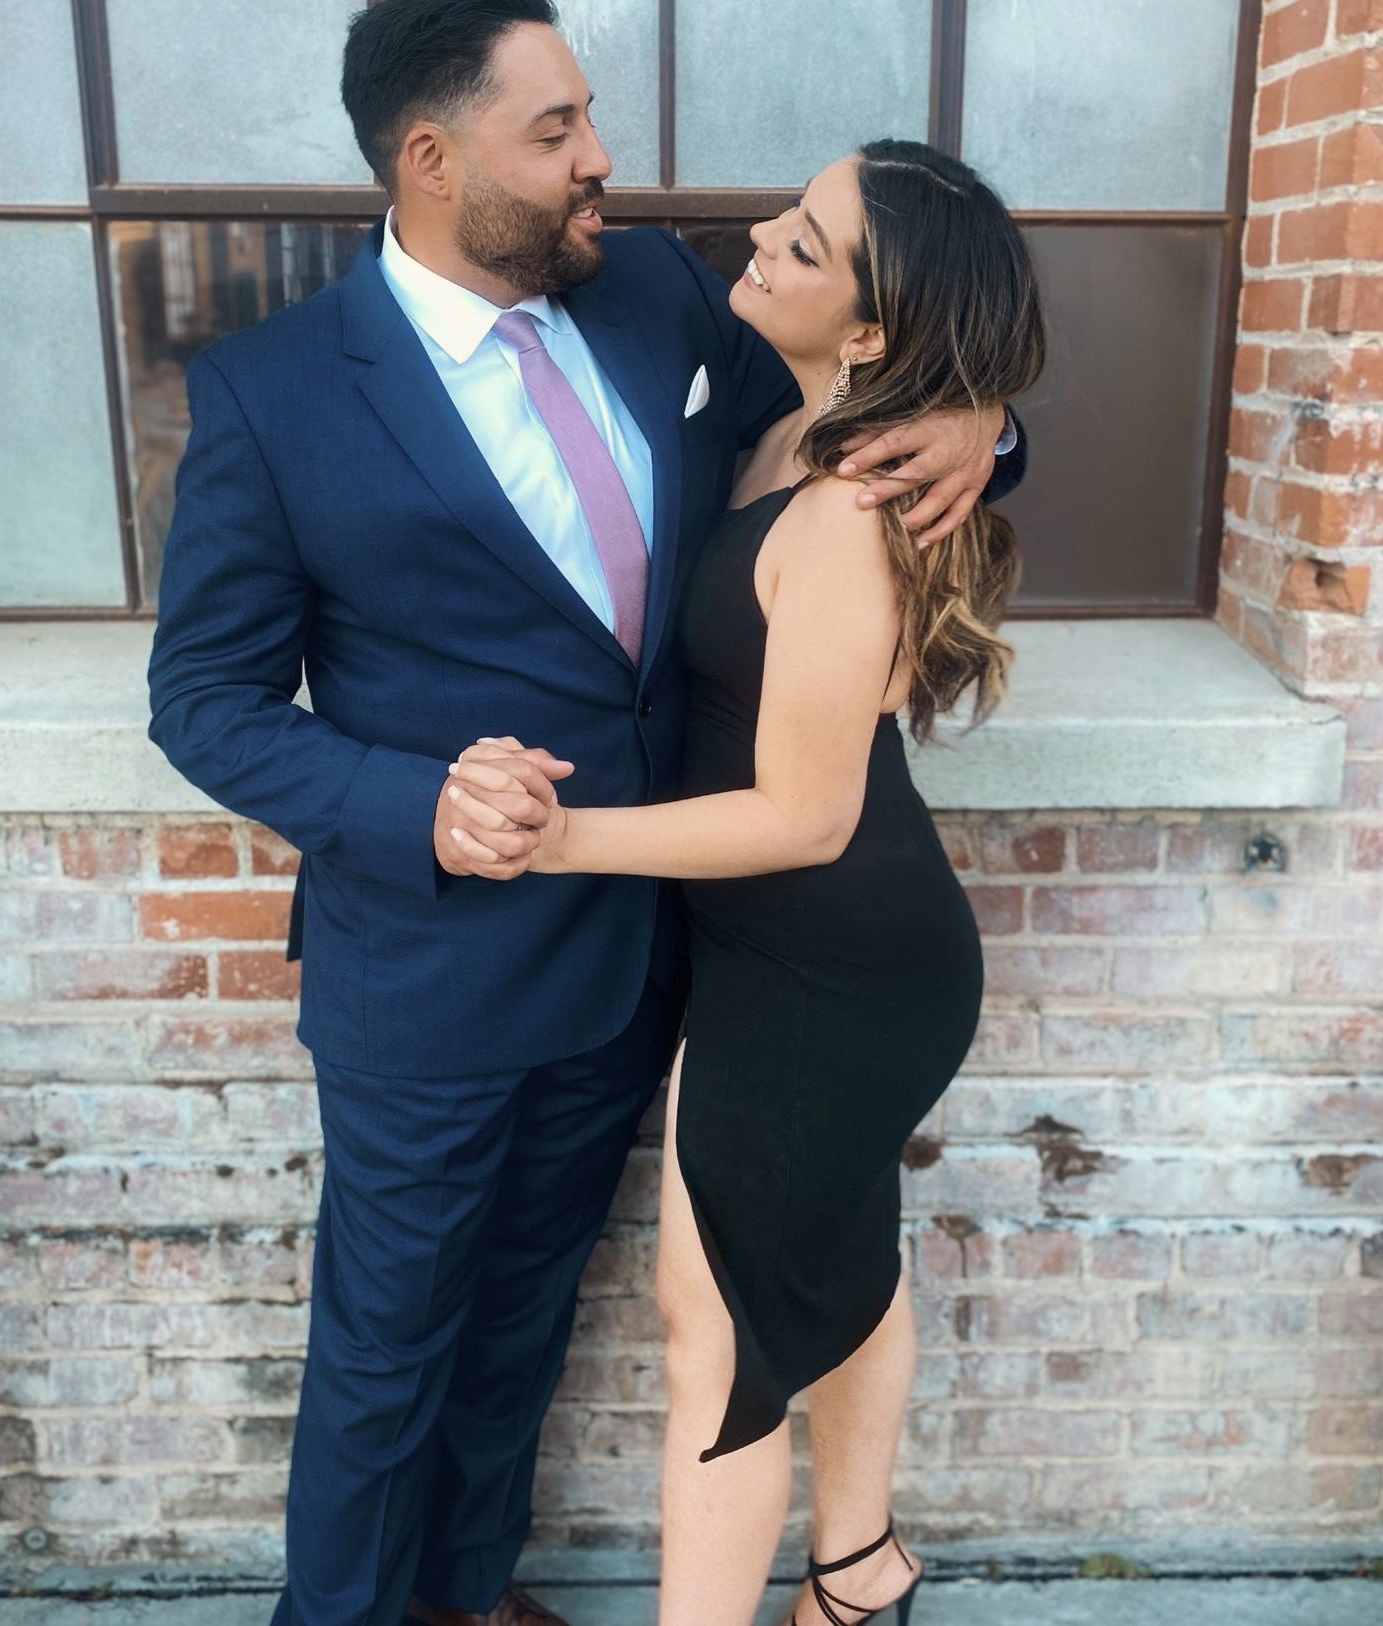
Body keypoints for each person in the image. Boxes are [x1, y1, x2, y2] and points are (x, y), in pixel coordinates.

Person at [144, 2, 1029, 1622]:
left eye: (588, 116)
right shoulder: (276, 393)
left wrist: (988, 423)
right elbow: (201, 698)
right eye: (552, 131)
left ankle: (469, 1593)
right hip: (429, 967)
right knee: (383, 1347)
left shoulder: (656, 294)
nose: (597, 158)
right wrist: (413, 801)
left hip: (639, 956)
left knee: (523, 1319)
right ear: (433, 157)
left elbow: (866, 385)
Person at [444, 140, 1045, 1626]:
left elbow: (804, 815)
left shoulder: (846, 505)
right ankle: (860, 1573)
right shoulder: (792, 423)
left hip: (834, 962)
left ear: (871, 331)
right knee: (825, 1262)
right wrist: (980, 416)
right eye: (795, 209)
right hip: (785, 949)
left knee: (714, 1334)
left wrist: (563, 839)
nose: (765, 232)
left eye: (808, 241)